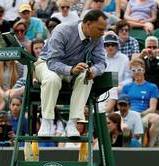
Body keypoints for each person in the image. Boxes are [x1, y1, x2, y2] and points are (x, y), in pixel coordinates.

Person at [35, 9, 107, 137]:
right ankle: (46, 121)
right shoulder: (62, 30)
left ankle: (72, 123)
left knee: (86, 78)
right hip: (47, 64)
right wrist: (71, 70)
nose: (103, 33)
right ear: (88, 24)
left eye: (104, 29)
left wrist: (93, 71)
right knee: (52, 78)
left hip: (73, 69)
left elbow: (101, 63)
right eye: (100, 29)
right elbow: (52, 62)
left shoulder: (97, 38)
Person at [120, 57, 159, 147]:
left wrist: (140, 114)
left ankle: (150, 147)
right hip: (128, 114)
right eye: (134, 70)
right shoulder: (126, 87)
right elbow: (122, 105)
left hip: (144, 114)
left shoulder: (152, 87)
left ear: (144, 70)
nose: (137, 72)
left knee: (156, 118)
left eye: (139, 69)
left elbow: (152, 108)